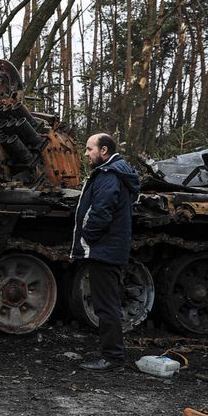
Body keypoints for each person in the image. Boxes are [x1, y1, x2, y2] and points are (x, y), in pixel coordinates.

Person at [71, 133, 140, 372]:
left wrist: (87, 237)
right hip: (107, 248)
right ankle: (111, 353)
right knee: (106, 302)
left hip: (104, 250)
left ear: (104, 151)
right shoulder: (113, 173)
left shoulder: (109, 176)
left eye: (90, 149)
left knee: (106, 305)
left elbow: (101, 213)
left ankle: (113, 358)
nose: (86, 153)